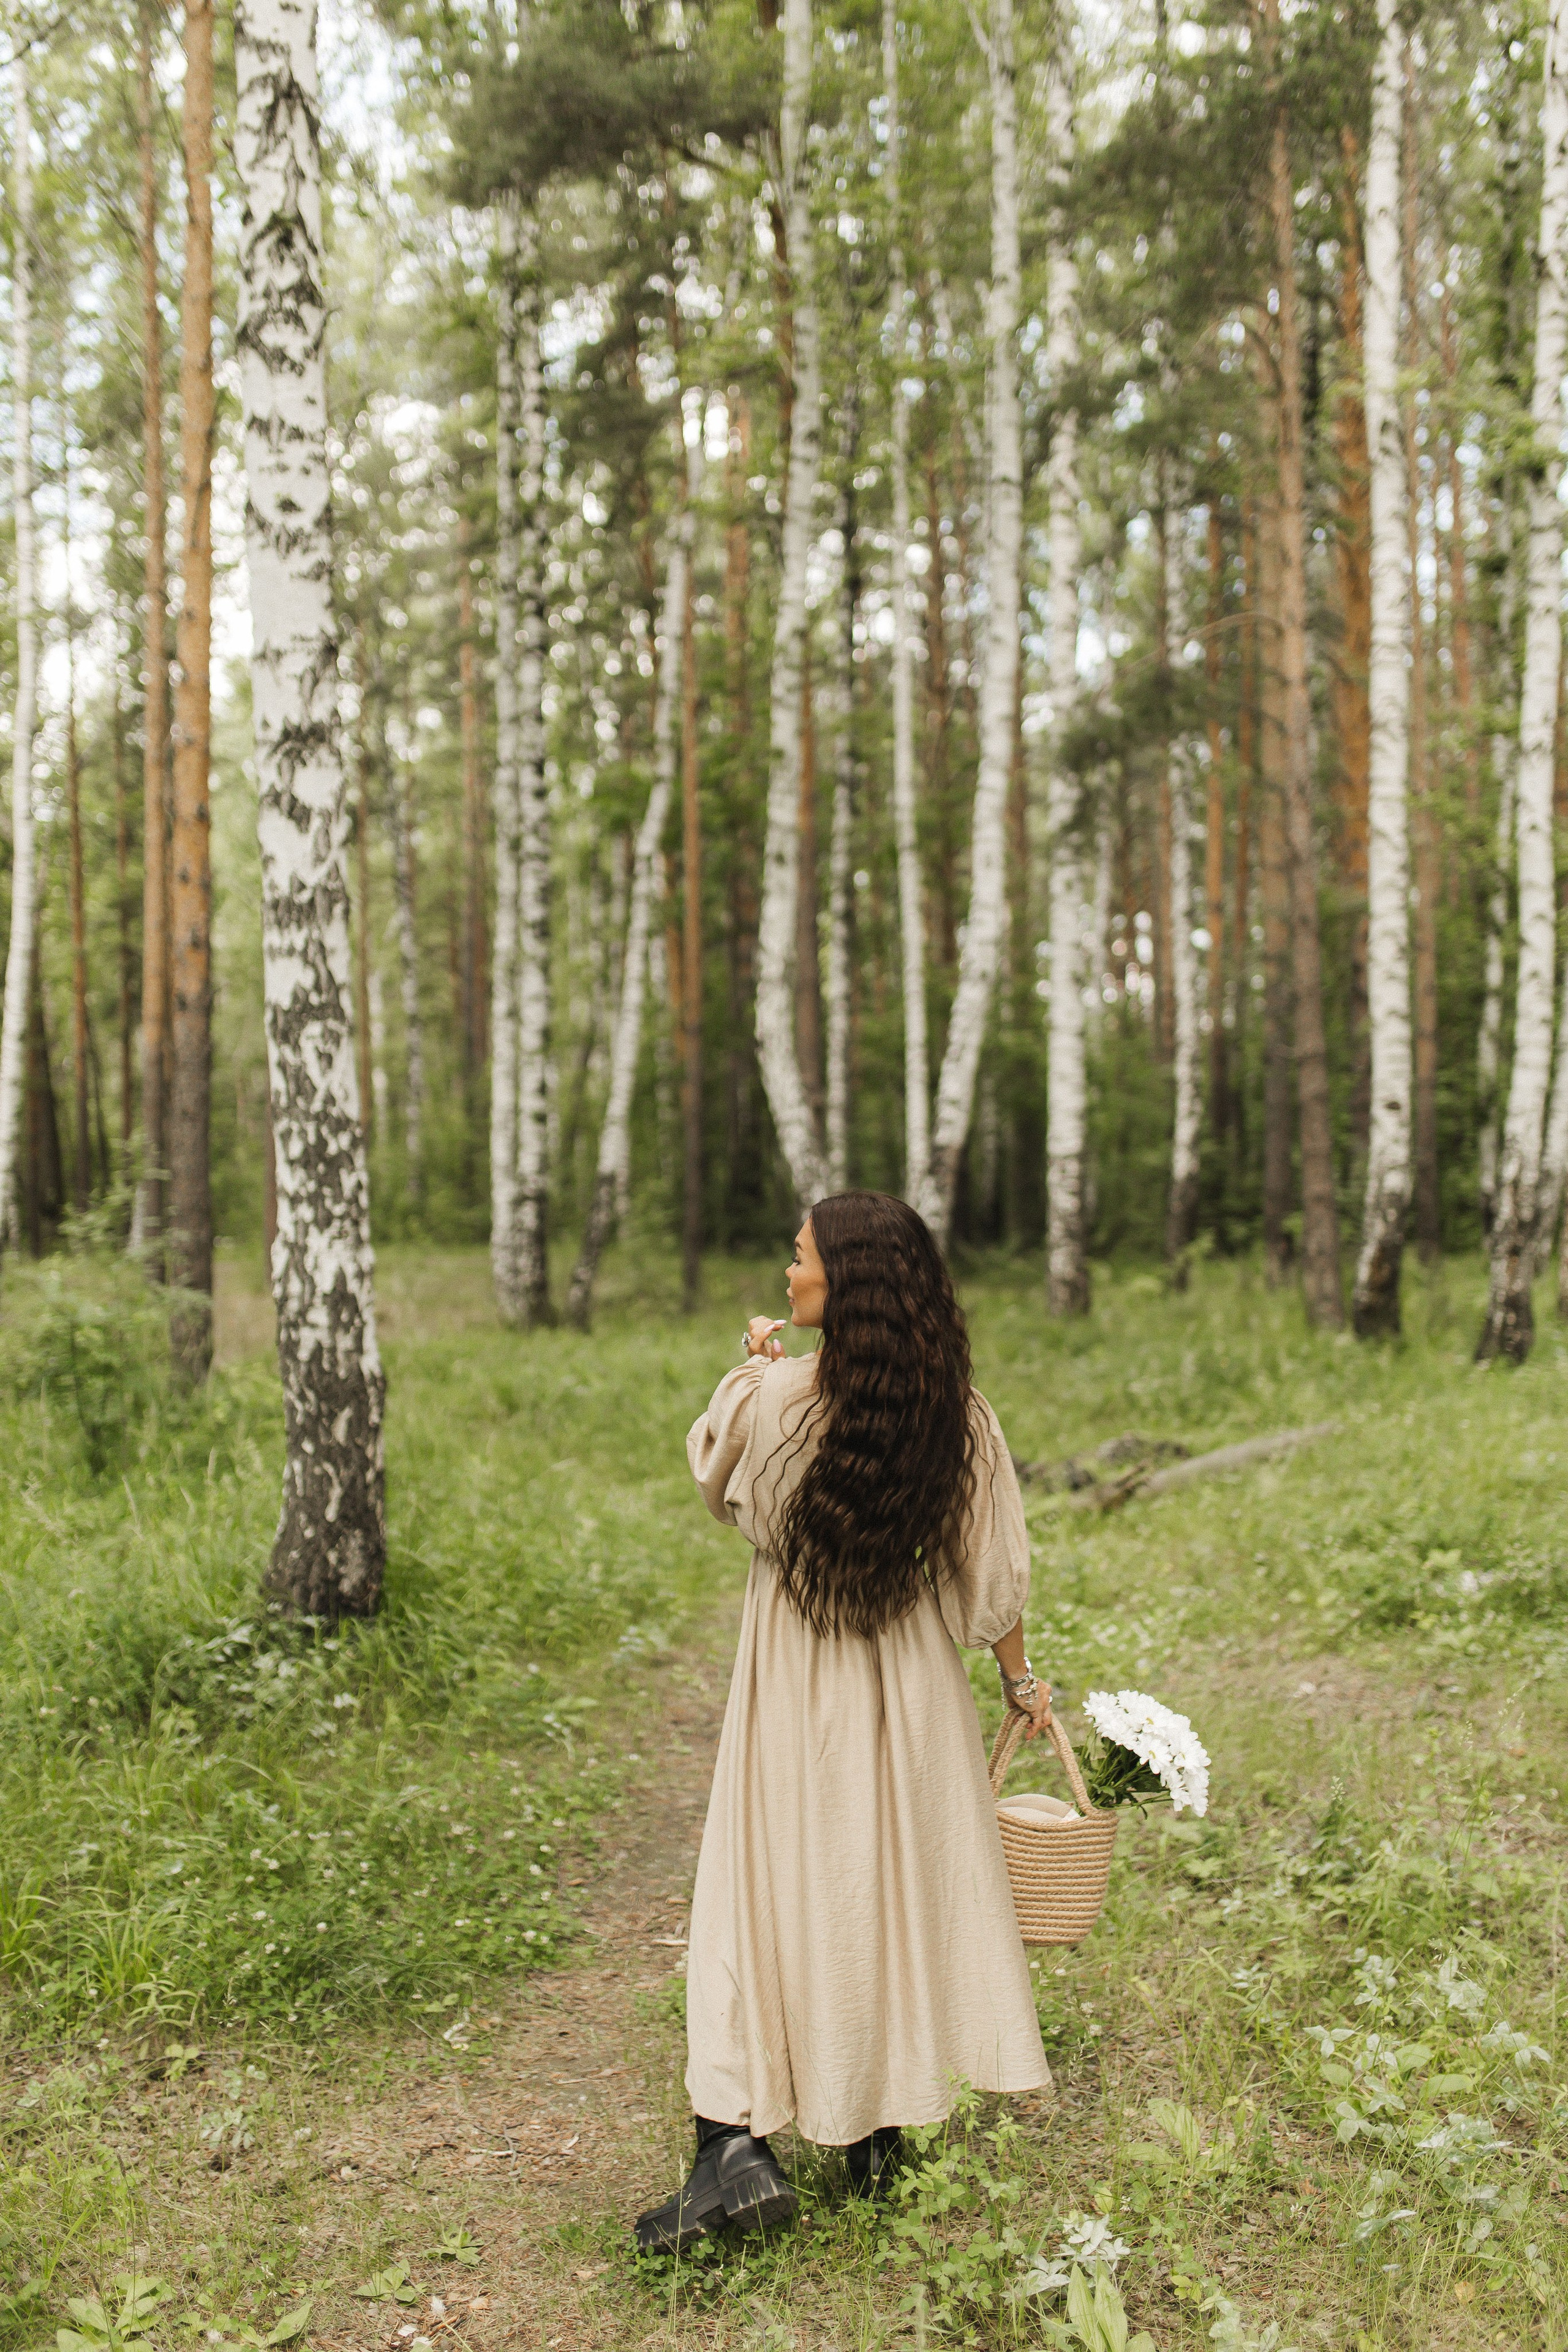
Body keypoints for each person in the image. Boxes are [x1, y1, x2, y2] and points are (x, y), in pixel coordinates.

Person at [633, 1190, 1052, 2256]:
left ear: (845, 1282)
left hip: (793, 1669)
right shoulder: (955, 1408)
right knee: (885, 1896)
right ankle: (877, 2141)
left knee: (762, 1892)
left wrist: (752, 1372)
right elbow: (990, 1575)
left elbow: (721, 1487)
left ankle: (729, 2148)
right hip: (908, 1682)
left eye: (802, 1255)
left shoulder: (773, 1400)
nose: (789, 1270)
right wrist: (1017, 1685)